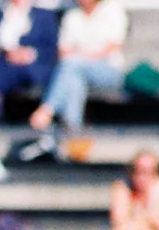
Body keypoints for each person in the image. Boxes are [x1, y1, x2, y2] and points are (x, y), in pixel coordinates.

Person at [0, 0, 58, 180]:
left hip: (31, 70)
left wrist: (28, 54)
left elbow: (51, 49)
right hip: (3, 68)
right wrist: (2, 51)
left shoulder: (43, 16)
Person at [27, 0, 128, 137]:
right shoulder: (72, 16)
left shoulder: (112, 10)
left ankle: (47, 109)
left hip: (109, 70)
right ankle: (73, 132)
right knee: (74, 80)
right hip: (76, 69)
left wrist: (80, 56)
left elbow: (112, 47)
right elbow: (63, 51)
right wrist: (81, 57)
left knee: (71, 65)